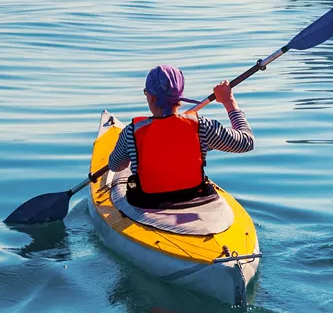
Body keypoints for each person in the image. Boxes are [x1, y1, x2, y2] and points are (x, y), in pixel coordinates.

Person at [107, 64, 254, 209]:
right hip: (196, 197)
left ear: (150, 97)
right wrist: (229, 101)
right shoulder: (202, 126)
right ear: (180, 96)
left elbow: (116, 166)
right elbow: (246, 142)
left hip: (148, 201)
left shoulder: (131, 133)